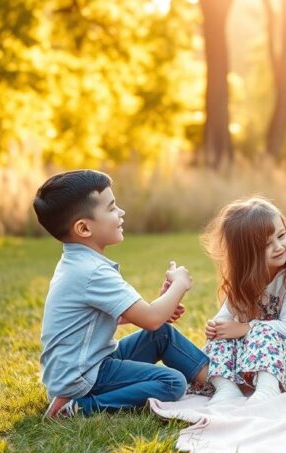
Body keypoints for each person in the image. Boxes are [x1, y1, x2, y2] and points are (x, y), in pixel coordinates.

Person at [35, 170, 209, 418]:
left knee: (161, 334)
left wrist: (162, 306)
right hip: (82, 377)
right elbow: (150, 318)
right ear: (84, 228)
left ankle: (215, 382)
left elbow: (118, 318)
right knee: (172, 383)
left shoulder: (77, 262)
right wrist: (179, 284)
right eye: (112, 208)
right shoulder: (92, 271)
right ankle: (77, 407)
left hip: (87, 364)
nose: (121, 213)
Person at [201, 197, 286, 404]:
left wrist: (245, 328)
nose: (278, 246)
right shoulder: (243, 283)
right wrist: (216, 327)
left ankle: (268, 390)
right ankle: (227, 388)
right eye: (267, 244)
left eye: (281, 235)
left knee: (263, 330)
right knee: (221, 338)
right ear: (245, 256)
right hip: (274, 359)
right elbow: (224, 318)